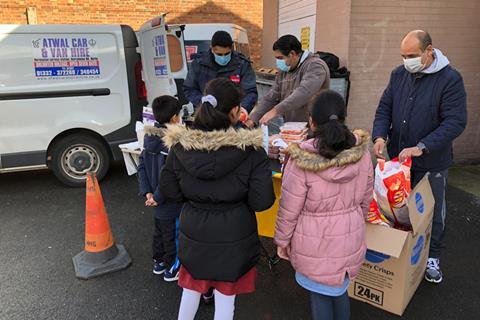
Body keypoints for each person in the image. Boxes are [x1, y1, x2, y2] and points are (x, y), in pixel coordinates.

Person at [160, 78, 275, 320]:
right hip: (234, 235)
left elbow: (169, 191)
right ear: (235, 111)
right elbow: (262, 201)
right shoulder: (252, 151)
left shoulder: (180, 145)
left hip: (195, 232)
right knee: (225, 299)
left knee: (190, 290)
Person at [372, 30, 467, 284]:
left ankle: (433, 256)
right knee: (398, 209)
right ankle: (403, 252)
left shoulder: (450, 79)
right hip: (399, 163)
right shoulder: (399, 75)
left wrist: (423, 146)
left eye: (412, 55)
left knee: (432, 213)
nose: (407, 61)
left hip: (431, 163)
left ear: (429, 51)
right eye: (403, 56)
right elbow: (385, 108)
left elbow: (455, 122)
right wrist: (379, 136)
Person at [274, 90, 373, 320]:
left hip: (313, 244)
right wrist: (354, 222)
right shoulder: (362, 154)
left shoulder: (301, 161)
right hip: (350, 237)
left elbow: (289, 209)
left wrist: (281, 241)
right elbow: (366, 200)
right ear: (344, 117)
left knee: (320, 295)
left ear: (311, 121)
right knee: (339, 291)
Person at [137, 96, 183, 282]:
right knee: (173, 234)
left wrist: (147, 191)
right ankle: (172, 268)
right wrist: (156, 196)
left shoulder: (149, 138)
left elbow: (141, 165)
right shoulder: (172, 143)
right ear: (174, 118)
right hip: (169, 199)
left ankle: (159, 262)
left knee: (159, 232)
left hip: (155, 198)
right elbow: (168, 176)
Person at [246, 35, 330, 127]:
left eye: (280, 58)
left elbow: (304, 92)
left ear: (292, 54)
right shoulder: (284, 71)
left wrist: (275, 110)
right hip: (293, 129)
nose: (278, 62)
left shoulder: (315, 66)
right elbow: (271, 97)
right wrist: (253, 119)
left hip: (315, 128)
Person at [183, 30, 258, 113]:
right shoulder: (199, 63)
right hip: (207, 114)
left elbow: (250, 91)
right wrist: (203, 102)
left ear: (231, 48)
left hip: (233, 115)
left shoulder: (241, 64)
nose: (223, 58)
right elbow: (189, 89)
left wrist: (243, 108)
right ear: (212, 49)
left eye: (227, 54)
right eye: (219, 54)